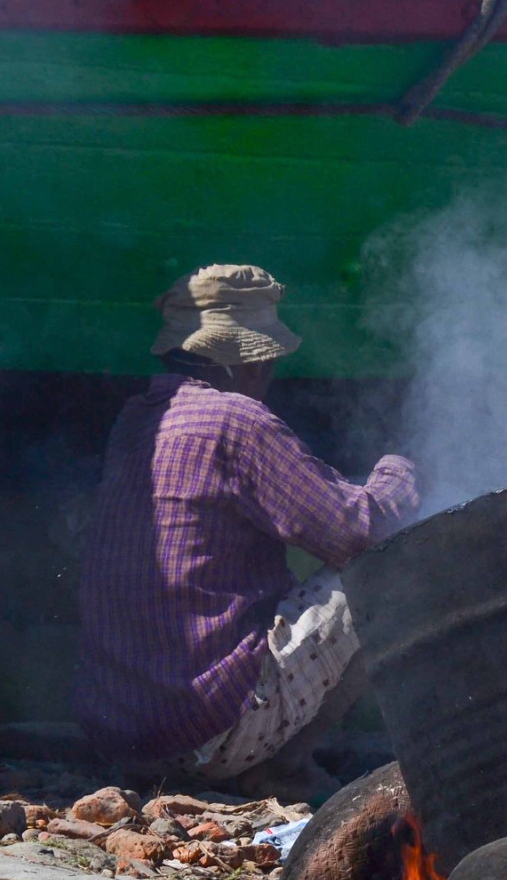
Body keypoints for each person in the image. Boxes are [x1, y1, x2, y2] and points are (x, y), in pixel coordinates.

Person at [74, 264, 419, 801]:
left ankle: (210, 764)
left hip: (122, 735)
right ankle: (280, 768)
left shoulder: (137, 420)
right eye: (269, 357)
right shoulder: (239, 423)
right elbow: (359, 530)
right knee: (385, 567)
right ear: (247, 360)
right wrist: (400, 466)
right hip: (208, 735)